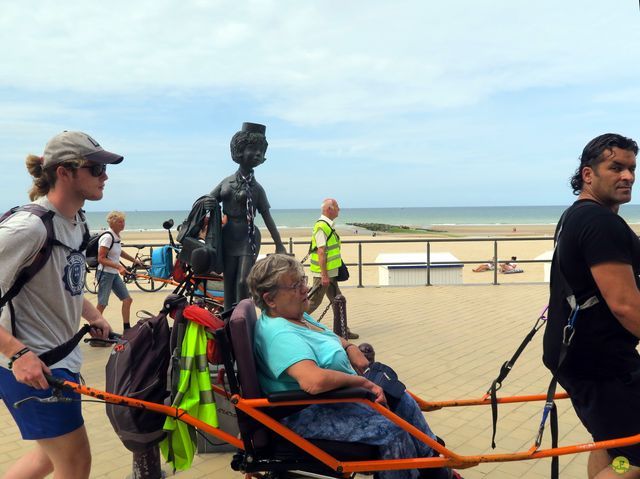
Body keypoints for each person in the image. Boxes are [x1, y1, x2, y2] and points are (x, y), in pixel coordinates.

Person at [247, 254, 462, 479]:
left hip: (336, 400)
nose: (305, 288)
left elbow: (328, 337)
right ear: (270, 299)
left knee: (404, 402)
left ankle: (438, 470)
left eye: (303, 280)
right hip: (305, 412)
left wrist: (350, 347)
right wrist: (363, 382)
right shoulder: (279, 334)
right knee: (393, 432)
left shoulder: (297, 316)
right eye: (295, 285)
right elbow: (313, 381)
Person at [0, 131, 119, 479]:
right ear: (64, 172)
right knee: (76, 462)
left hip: (60, 360)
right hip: (32, 368)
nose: (105, 176)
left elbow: (62, 279)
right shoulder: (29, 227)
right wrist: (18, 355)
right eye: (96, 168)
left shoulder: (76, 221)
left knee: (48, 458)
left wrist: (92, 312)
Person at [543, 133, 640, 479]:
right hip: (601, 362)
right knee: (636, 455)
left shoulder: (576, 216)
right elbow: (625, 306)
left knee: (612, 442)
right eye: (616, 167)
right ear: (588, 174)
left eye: (631, 168)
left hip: (575, 355)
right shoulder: (599, 222)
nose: (627, 176)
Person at [211, 122, 286, 311]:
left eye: (261, 151)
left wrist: (279, 244)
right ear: (239, 151)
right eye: (253, 149)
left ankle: (242, 319)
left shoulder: (257, 188)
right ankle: (228, 319)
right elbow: (208, 201)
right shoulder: (226, 182)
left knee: (243, 281)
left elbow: (267, 217)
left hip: (248, 237)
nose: (258, 154)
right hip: (228, 236)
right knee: (228, 280)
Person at [306, 198, 359, 339]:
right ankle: (290, 323)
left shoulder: (328, 226)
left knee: (338, 300)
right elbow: (321, 252)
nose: (339, 209)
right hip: (324, 274)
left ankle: (343, 330)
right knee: (313, 302)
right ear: (329, 209)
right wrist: (324, 275)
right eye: (337, 206)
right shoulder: (321, 226)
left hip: (331, 273)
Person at [96, 211, 143, 332]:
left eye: (123, 221)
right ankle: (95, 331)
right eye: (119, 222)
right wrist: (119, 267)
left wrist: (134, 260)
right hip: (105, 274)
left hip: (113, 274)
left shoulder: (116, 237)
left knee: (127, 300)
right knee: (102, 304)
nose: (123, 224)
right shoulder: (107, 237)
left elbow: (119, 252)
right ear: (112, 223)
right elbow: (101, 258)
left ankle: (127, 329)